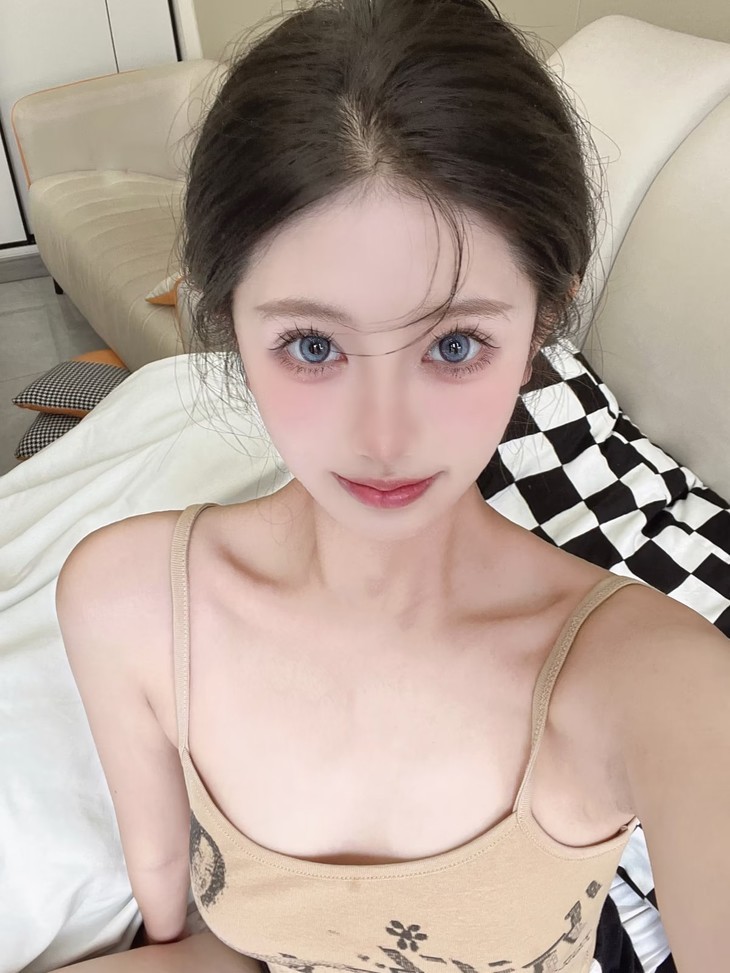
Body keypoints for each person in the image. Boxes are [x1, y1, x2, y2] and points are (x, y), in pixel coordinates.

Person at [53, 1, 729, 971]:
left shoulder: (660, 681)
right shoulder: (128, 601)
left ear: (542, 321)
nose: (382, 439)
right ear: (227, 320)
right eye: (311, 345)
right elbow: (170, 894)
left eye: (453, 345)